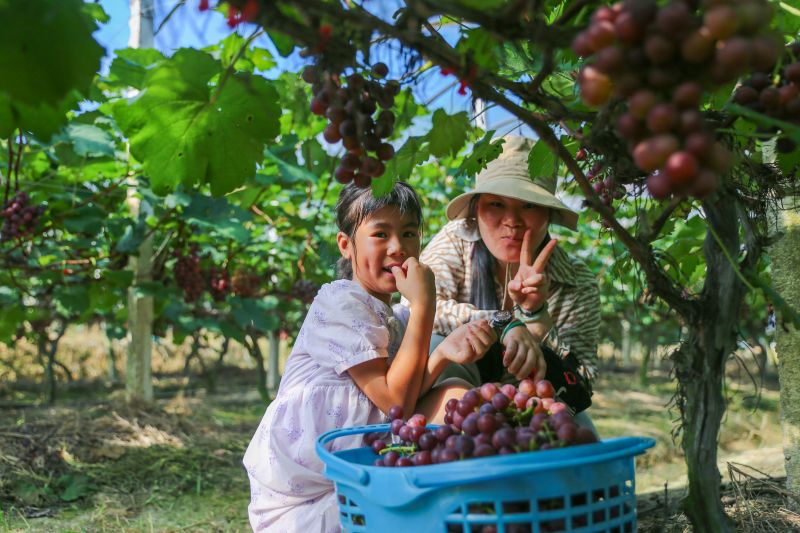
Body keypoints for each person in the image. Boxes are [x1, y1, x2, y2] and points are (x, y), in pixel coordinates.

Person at [243, 181, 495, 532]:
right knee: (452, 400)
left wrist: (440, 357)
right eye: (380, 234)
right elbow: (395, 402)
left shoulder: (396, 320)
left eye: (409, 233)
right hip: (310, 502)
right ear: (346, 245)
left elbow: (400, 395)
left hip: (360, 474)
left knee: (454, 391)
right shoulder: (340, 303)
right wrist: (424, 304)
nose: (398, 248)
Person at [410, 136, 601, 427]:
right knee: (436, 341)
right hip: (456, 395)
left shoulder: (576, 282)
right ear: (475, 210)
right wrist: (504, 324)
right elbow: (416, 309)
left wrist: (537, 319)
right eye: (496, 204)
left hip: (532, 410)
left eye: (529, 205)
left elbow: (582, 384)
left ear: (548, 213)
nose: (512, 221)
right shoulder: (454, 242)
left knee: (581, 435)